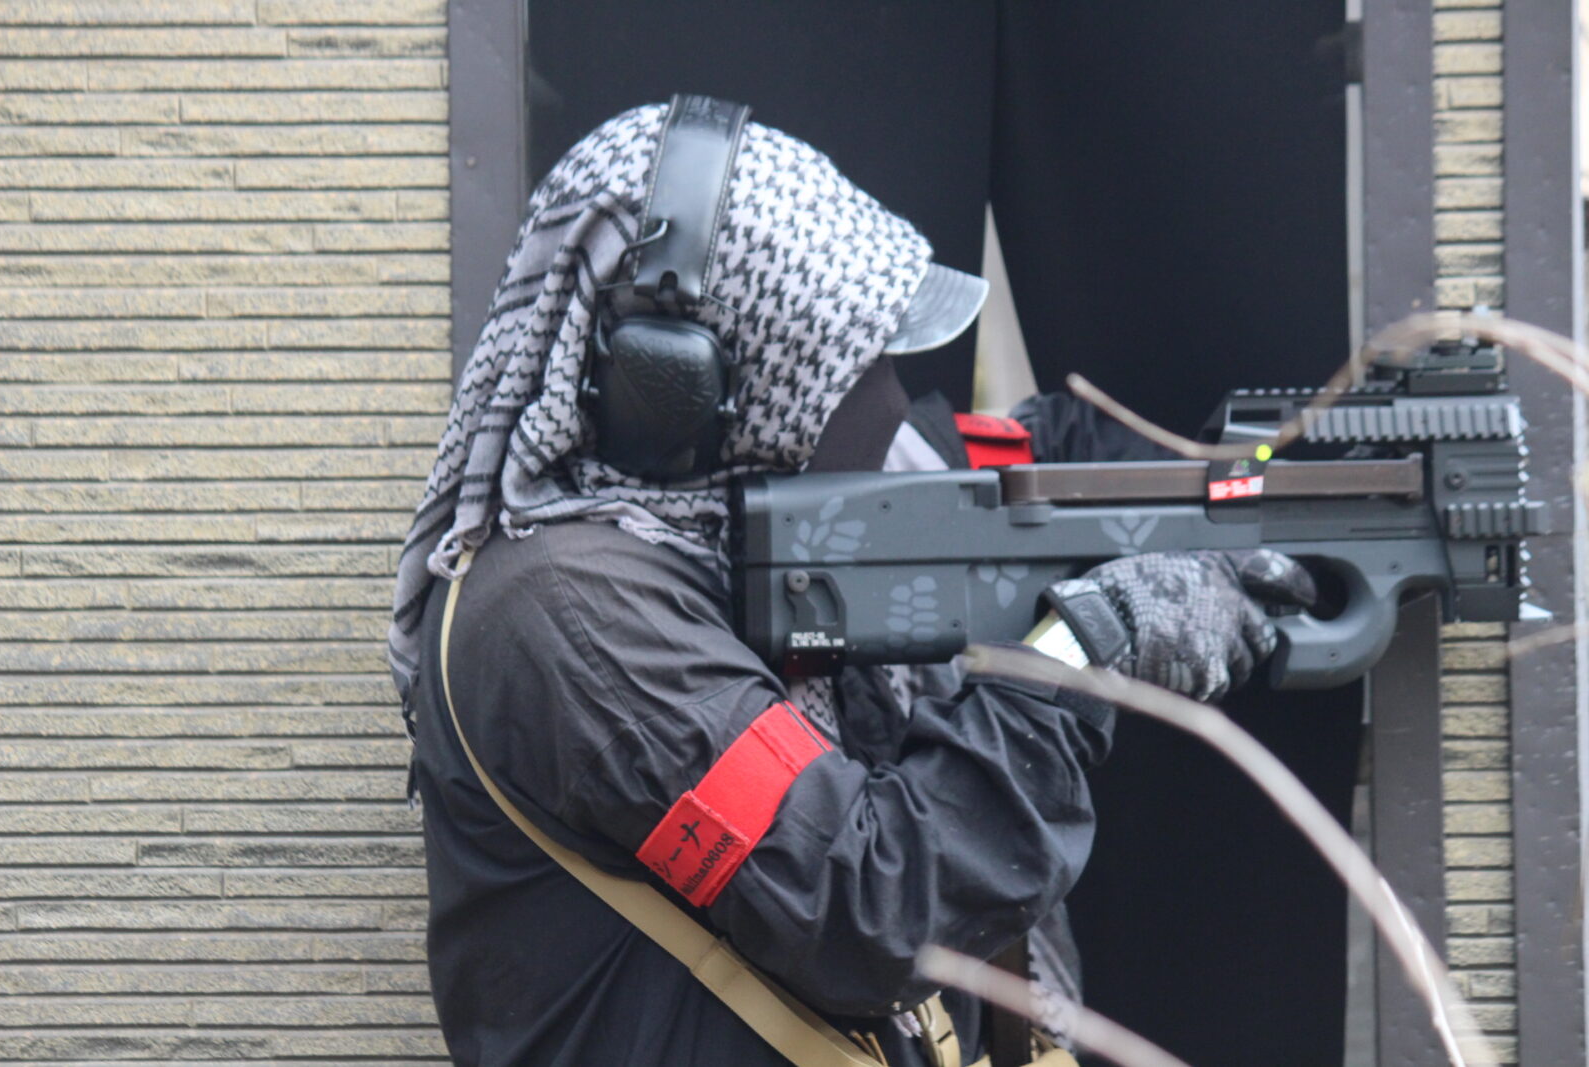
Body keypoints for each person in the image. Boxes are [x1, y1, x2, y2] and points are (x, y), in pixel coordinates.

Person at [388, 100, 1314, 1067]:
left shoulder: (715, 533)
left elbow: (1024, 458)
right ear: (679, 390)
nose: (883, 401)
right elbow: (872, 908)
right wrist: (1086, 647)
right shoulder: (571, 616)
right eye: (845, 363)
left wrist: (1268, 478)